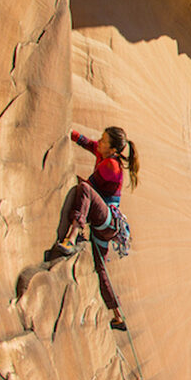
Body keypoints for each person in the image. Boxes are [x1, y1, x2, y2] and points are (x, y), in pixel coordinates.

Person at [55, 126, 140, 331]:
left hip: (107, 221)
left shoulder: (111, 166)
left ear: (112, 150)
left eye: (103, 141)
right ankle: (118, 316)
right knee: (100, 268)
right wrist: (71, 134)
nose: (99, 142)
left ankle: (72, 236)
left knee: (83, 188)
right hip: (106, 225)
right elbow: (89, 144)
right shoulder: (105, 154)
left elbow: (89, 187)